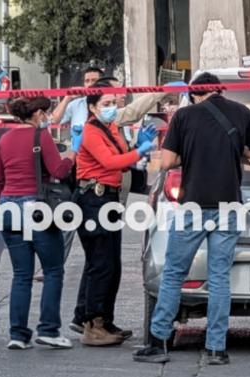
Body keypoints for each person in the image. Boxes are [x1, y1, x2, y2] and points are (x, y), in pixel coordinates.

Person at [133, 72, 250, 365]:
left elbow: (167, 161)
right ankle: (216, 349)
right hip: (229, 206)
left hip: (193, 206)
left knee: (174, 273)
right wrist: (235, 149)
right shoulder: (241, 112)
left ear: (194, 94)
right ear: (219, 91)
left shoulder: (184, 117)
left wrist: (189, 152)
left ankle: (158, 342)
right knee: (219, 277)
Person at [67, 76, 173, 337]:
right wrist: (140, 151)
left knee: (111, 263)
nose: (112, 107)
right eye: (106, 104)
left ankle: (104, 319)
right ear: (92, 107)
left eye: (114, 103)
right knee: (101, 263)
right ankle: (93, 323)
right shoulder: (91, 131)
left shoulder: (111, 127)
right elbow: (110, 162)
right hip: (94, 199)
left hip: (109, 198)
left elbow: (122, 158)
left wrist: (137, 146)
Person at [0, 97, 76, 350]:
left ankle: (17, 335)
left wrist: (1, 206)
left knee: (21, 275)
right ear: (38, 113)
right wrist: (71, 156)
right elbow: (59, 171)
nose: (47, 117)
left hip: (9, 206)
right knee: (53, 271)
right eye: (46, 113)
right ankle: (48, 330)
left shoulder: (5, 139)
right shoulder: (41, 137)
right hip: (36, 209)